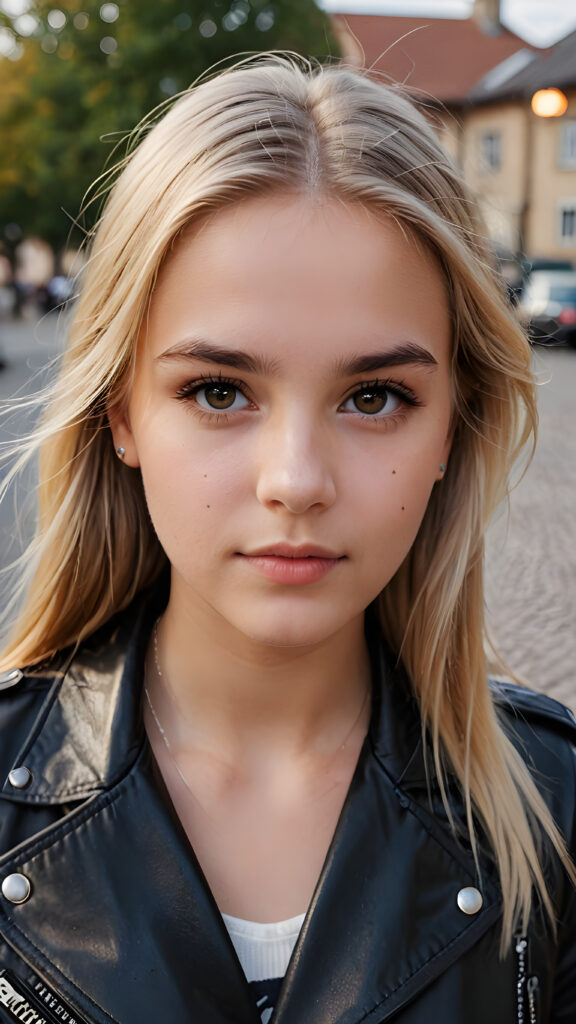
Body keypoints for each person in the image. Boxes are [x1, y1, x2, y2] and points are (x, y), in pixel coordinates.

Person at [0, 55, 574, 1024]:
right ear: (122, 413)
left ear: (451, 429)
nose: (297, 480)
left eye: (374, 396)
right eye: (219, 391)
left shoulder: (553, 816)